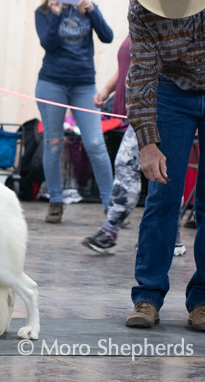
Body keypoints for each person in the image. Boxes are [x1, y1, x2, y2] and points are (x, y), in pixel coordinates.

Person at [124, 0, 205, 332]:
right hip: (170, 93)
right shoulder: (142, 9)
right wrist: (148, 141)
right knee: (163, 194)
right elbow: (141, 73)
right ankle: (147, 297)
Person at [82, 36, 187, 256]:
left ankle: (111, 232)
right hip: (140, 112)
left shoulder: (168, 26)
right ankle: (171, 237)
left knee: (133, 166)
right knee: (156, 170)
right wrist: (107, 90)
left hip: (156, 111)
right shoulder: (140, 24)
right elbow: (128, 65)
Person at [34, 0, 114, 223]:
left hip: (83, 85)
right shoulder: (44, 11)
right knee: (54, 144)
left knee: (95, 144)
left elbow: (108, 37)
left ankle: (110, 206)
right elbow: (49, 44)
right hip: (52, 84)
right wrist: (56, 14)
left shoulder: (86, 9)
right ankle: (56, 202)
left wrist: (92, 12)